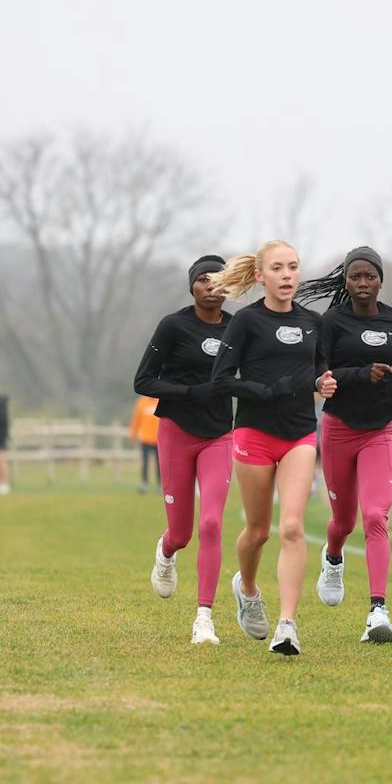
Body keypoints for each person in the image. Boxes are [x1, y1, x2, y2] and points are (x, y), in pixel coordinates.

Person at [208, 240, 336, 656]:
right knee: (259, 531)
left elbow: (318, 368)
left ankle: (287, 625)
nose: (286, 275)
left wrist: (323, 382)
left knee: (294, 527)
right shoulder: (245, 322)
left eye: (293, 267)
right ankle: (246, 588)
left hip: (299, 434)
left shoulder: (313, 322)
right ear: (260, 276)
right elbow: (221, 379)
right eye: (278, 268)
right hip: (254, 434)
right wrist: (267, 391)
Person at [298, 246, 392, 644]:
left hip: (379, 430)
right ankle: (333, 557)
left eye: (369, 276)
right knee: (343, 522)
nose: (362, 283)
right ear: (346, 281)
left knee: (375, 516)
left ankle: (377, 610)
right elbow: (319, 370)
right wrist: (358, 375)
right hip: (339, 429)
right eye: (355, 277)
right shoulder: (333, 321)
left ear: (380, 280)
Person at [132, 254, 235, 646]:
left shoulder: (238, 328)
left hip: (219, 435)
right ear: (191, 286)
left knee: (212, 523)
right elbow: (143, 381)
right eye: (202, 281)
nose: (210, 287)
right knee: (183, 532)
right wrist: (190, 392)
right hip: (176, 431)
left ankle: (204, 618)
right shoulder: (173, 326)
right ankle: (166, 550)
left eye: (218, 280)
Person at [129, 395, 161, 494]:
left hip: (159, 439)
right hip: (145, 438)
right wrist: (133, 434)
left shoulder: (160, 401)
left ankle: (160, 484)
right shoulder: (142, 402)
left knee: (159, 464)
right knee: (145, 462)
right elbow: (136, 419)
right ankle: (144, 483)